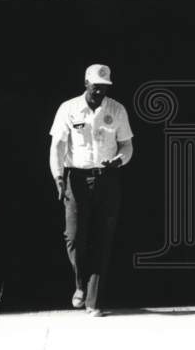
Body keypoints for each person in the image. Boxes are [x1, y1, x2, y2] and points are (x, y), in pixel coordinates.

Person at [49, 64, 134, 316]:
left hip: (107, 179)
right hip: (76, 178)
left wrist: (119, 159)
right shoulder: (69, 109)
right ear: (86, 83)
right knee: (74, 237)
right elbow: (57, 146)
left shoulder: (117, 110)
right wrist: (58, 176)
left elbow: (127, 146)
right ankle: (79, 284)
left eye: (105, 88)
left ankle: (93, 301)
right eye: (96, 87)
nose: (100, 92)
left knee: (102, 238)